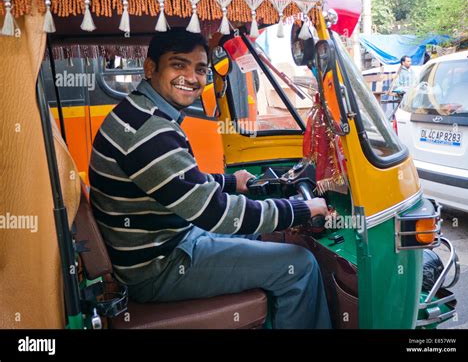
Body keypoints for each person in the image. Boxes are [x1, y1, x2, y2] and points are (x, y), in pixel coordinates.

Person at [89, 28, 332, 329]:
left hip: (163, 245)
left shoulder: (139, 112)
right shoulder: (149, 130)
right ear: (150, 67)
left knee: (260, 234)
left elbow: (179, 182)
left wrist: (231, 182)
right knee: (300, 265)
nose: (191, 77)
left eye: (200, 69)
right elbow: (216, 214)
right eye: (178, 65)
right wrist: (302, 209)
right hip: (159, 268)